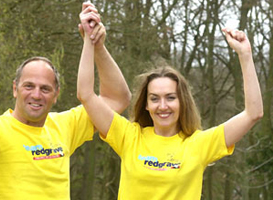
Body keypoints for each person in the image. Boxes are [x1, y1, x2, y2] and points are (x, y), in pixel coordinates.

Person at [0, 3, 131, 200]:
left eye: (45, 89)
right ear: (15, 89)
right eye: (28, 86)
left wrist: (97, 47)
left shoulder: (65, 126)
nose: (36, 95)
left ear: (56, 94)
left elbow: (117, 99)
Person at [77, 13, 263, 200]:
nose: (163, 106)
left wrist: (245, 55)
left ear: (182, 102)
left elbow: (253, 114)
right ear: (146, 105)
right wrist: (90, 41)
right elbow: (86, 95)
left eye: (171, 97)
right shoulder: (128, 137)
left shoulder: (198, 145)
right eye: (155, 99)